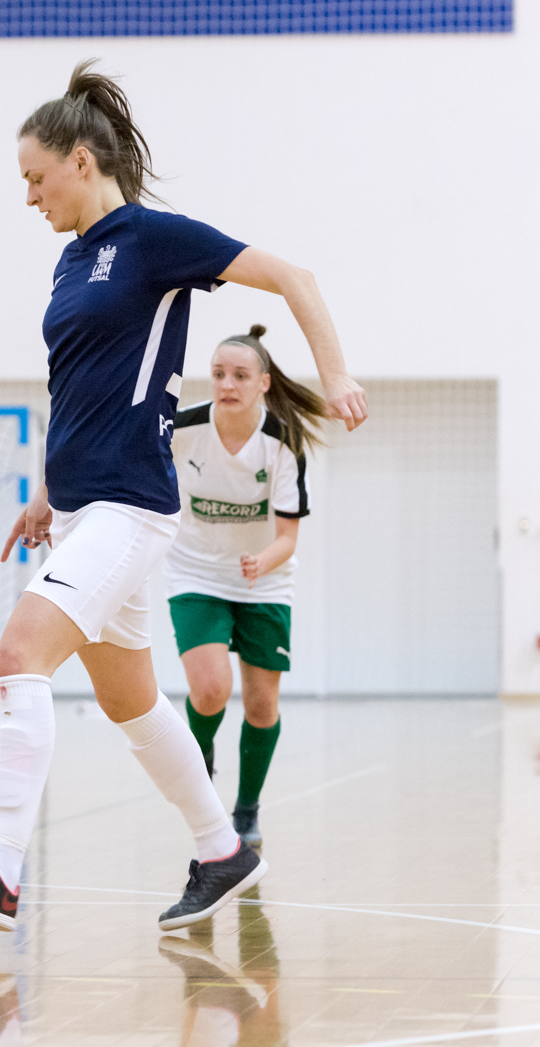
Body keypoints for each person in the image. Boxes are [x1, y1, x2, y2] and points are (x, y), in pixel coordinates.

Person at [0, 61, 367, 933]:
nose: (29, 196)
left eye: (35, 178)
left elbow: (297, 278)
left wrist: (337, 373)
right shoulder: (68, 264)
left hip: (133, 504)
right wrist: (49, 489)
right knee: (132, 702)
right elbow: (80, 384)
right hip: (86, 507)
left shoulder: (156, 239)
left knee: (19, 655)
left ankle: (3, 873)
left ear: (82, 161)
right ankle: (221, 849)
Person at [169, 325, 328, 850]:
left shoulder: (281, 442)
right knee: (210, 691)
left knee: (261, 706)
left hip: (265, 578)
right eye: (218, 374)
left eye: (239, 375)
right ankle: (201, 771)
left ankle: (248, 807)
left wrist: (261, 561)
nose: (226, 384)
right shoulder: (182, 428)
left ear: (262, 383)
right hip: (196, 572)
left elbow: (288, 536)